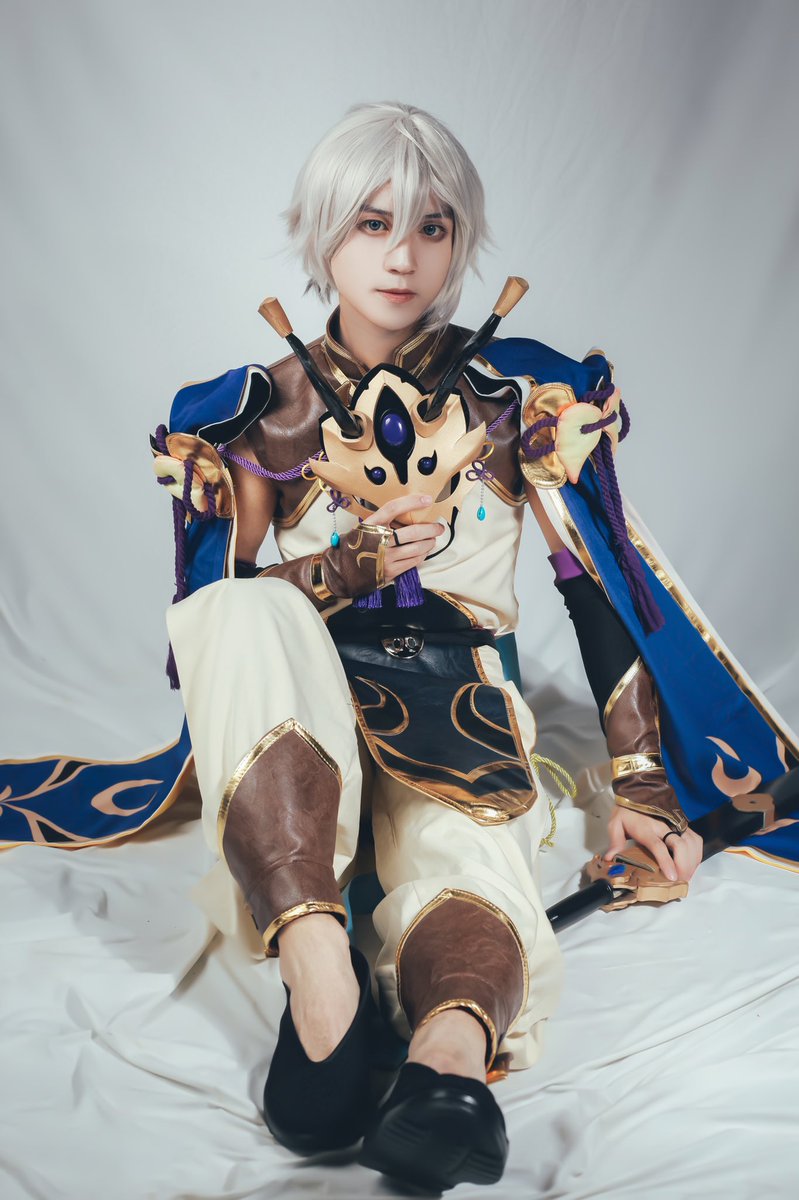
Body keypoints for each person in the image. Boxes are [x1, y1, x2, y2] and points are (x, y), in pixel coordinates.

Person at [156, 100, 716, 1192]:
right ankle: (321, 977)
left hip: (455, 697)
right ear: (320, 233)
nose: (403, 258)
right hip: (297, 708)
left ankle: (447, 1068)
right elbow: (208, 626)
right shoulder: (251, 414)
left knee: (467, 857)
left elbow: (594, 593)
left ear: (461, 242)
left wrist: (643, 783)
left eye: (432, 227)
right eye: (372, 224)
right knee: (239, 612)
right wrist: (344, 569)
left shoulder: (515, 400)